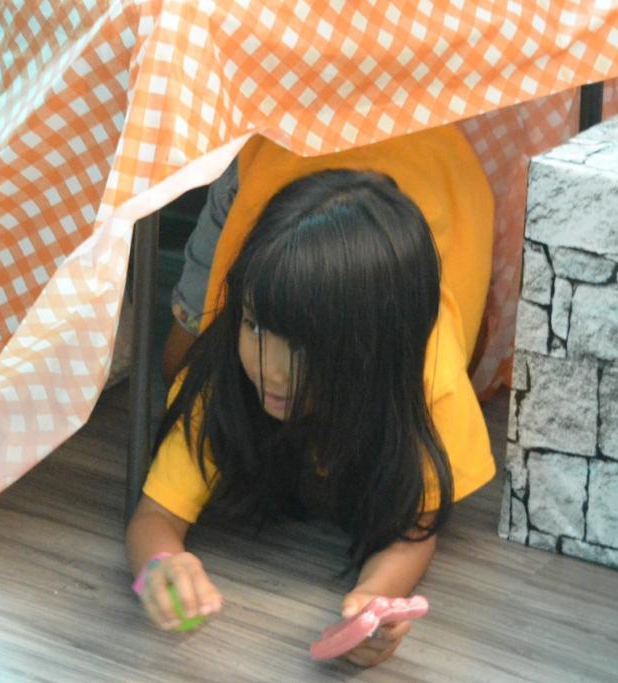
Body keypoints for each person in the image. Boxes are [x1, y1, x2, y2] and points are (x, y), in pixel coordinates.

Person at [126, 125, 495, 667]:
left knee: (480, 349)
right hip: (278, 149)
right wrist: (159, 563)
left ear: (370, 354)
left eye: (301, 348)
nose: (270, 371)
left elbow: (413, 530)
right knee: (174, 364)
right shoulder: (227, 371)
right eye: (254, 325)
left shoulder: (428, 386)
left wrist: (373, 601)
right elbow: (152, 517)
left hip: (441, 162)